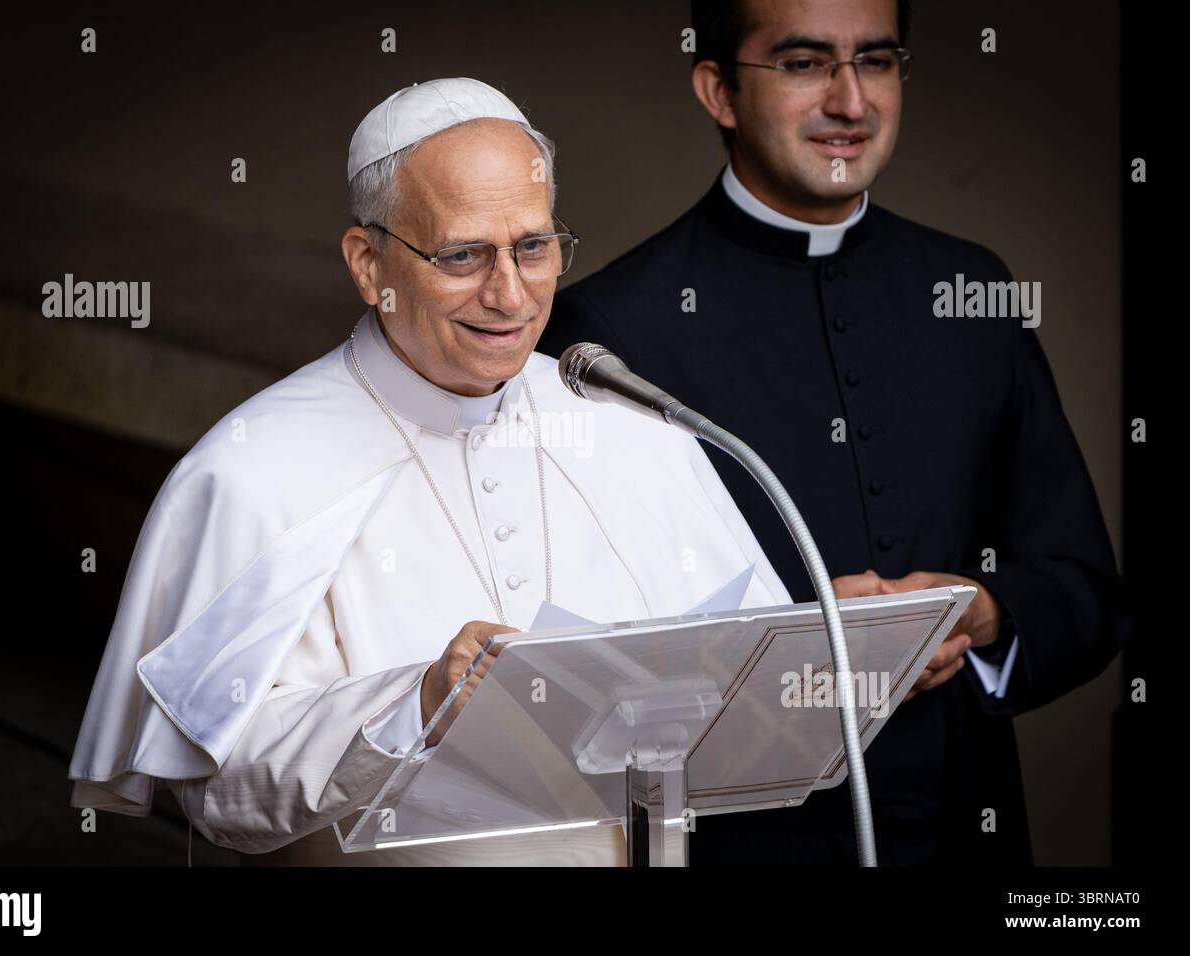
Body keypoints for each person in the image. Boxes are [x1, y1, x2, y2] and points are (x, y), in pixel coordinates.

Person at [67, 77, 790, 866]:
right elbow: (222, 793)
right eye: (462, 254)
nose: (509, 294)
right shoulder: (253, 468)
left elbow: (749, 701)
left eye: (533, 246)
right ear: (368, 261)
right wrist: (416, 702)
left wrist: (806, 645)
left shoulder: (625, 424)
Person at [539, 0, 1130, 865]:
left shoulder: (973, 292)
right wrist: (784, 648)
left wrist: (988, 611)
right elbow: (573, 662)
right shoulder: (606, 333)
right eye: (806, 64)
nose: (852, 102)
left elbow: (1084, 588)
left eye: (878, 61)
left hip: (964, 829)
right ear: (719, 91)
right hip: (745, 845)